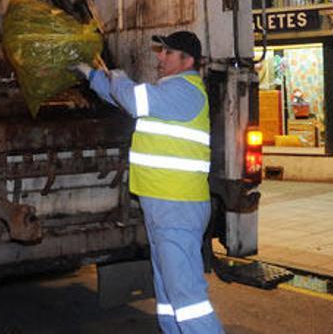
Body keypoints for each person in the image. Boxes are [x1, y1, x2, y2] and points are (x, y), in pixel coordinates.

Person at [73, 30, 223, 334]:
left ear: (187, 60)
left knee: (187, 297)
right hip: (163, 204)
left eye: (167, 52)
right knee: (168, 294)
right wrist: (91, 75)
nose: (159, 56)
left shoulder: (187, 91)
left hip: (177, 206)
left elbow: (132, 97)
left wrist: (118, 76)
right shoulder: (167, 94)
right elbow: (122, 99)